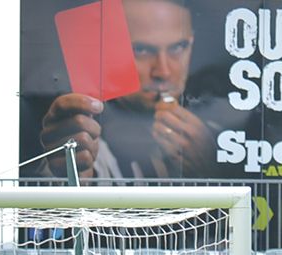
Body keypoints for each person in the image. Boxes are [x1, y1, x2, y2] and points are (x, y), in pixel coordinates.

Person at [32, 0, 223, 181]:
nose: (163, 72)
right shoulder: (87, 139)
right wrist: (66, 175)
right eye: (141, 50)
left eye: (178, 47)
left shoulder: (222, 140)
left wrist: (214, 169)